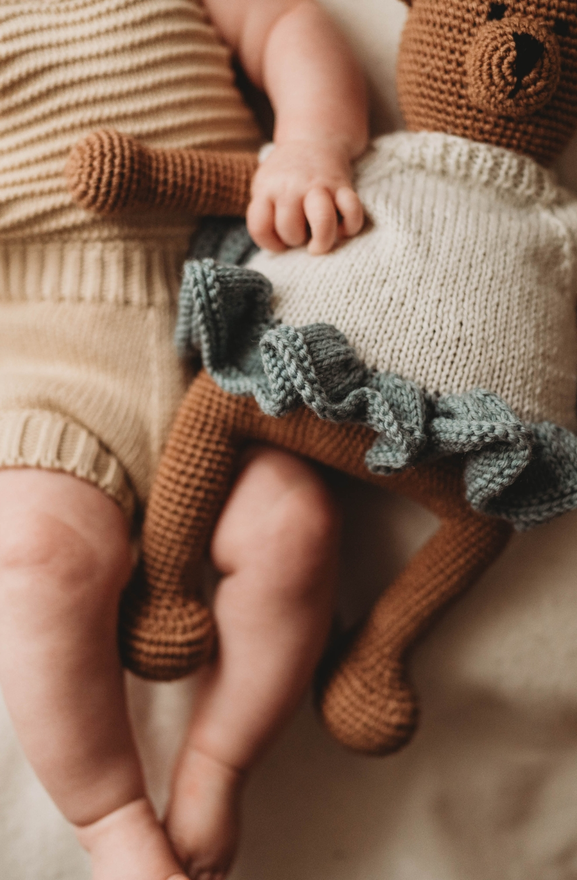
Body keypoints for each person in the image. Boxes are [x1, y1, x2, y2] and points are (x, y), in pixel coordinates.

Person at [0, 1, 368, 879]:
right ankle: (113, 818)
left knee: (294, 531)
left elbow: (285, 24)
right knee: (38, 556)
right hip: (46, 353)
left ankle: (217, 762)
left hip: (227, 320)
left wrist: (312, 143)